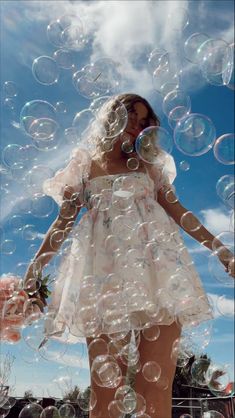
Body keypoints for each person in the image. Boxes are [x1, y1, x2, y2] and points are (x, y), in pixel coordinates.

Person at [1, 93, 234, 418]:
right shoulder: (84, 164)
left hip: (159, 274)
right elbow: (63, 222)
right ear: (111, 120)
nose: (137, 126)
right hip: (103, 281)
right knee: (106, 399)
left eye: (144, 121)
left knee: (155, 397)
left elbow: (179, 211)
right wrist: (31, 277)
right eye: (130, 116)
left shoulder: (151, 166)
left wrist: (223, 252)